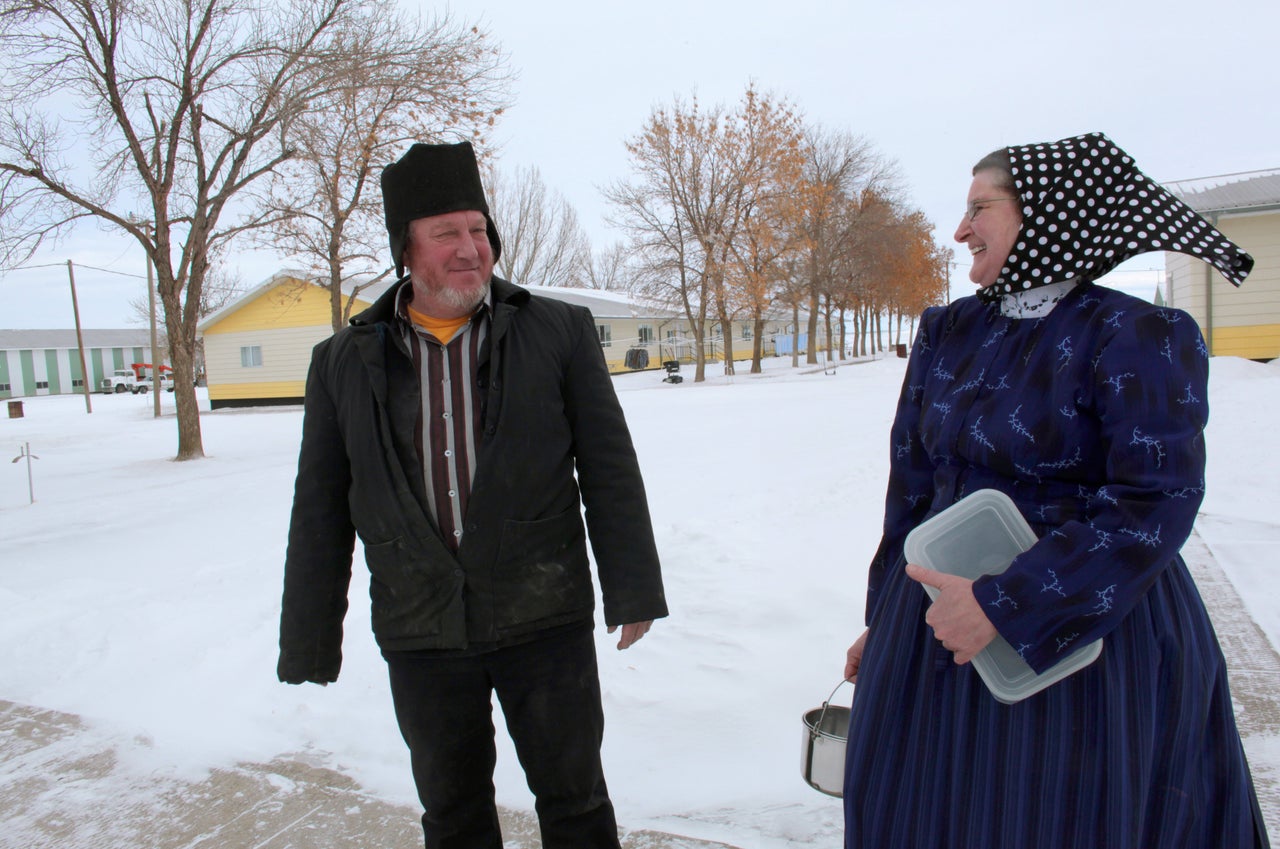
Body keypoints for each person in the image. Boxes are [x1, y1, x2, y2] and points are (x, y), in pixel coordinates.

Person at [842, 132, 1270, 848]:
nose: (960, 230)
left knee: (1053, 816)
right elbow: (914, 489)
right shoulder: (948, 331)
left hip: (1083, 641)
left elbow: (1153, 500)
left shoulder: (1137, 334)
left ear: (1046, 216)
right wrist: (886, 615)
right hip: (941, 630)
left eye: (981, 207)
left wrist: (1008, 606)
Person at [277, 140, 668, 849]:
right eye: (447, 232)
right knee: (453, 814)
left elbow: (609, 467)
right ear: (406, 249)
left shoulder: (557, 332)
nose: (471, 247)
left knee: (576, 804)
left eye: (478, 228)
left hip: (544, 619)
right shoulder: (341, 362)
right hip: (421, 627)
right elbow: (321, 507)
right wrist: (309, 636)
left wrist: (633, 585)